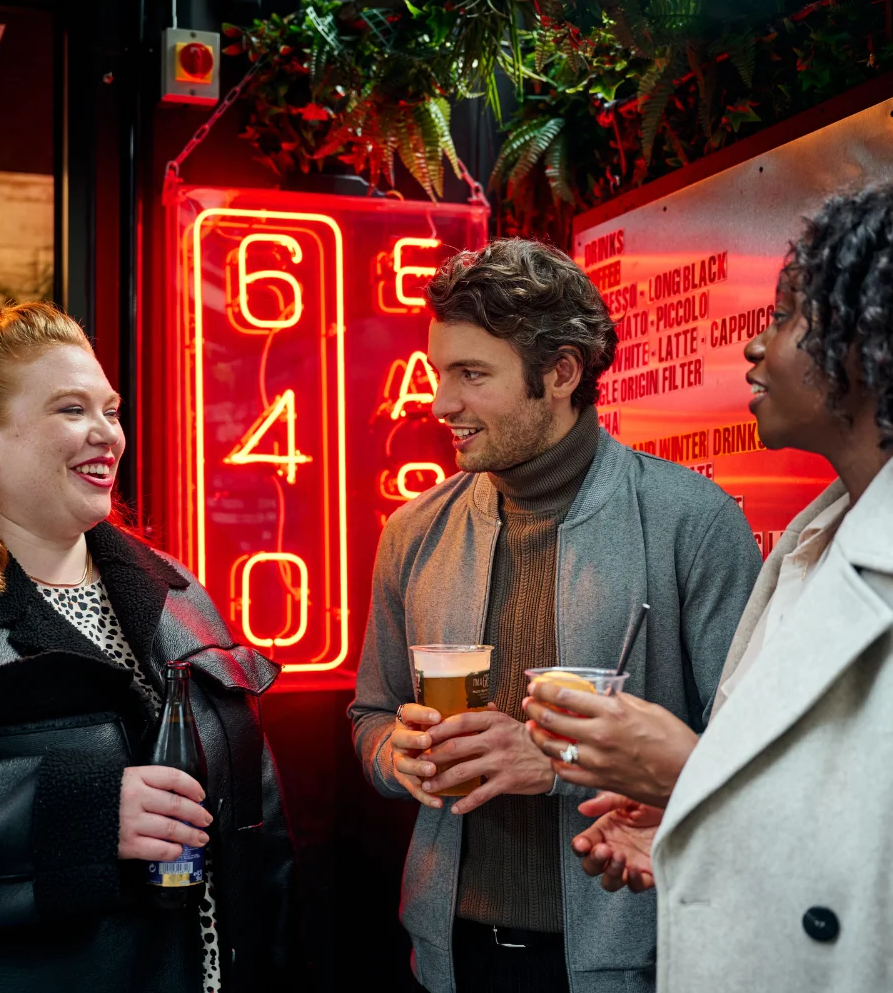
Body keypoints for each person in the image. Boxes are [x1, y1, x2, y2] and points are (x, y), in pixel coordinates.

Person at [348, 238, 762, 993]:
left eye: (472, 374)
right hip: (448, 953)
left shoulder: (691, 522)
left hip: (630, 962)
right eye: (443, 372)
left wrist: (557, 764)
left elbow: (755, 764)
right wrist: (393, 755)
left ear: (562, 372)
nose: (442, 403)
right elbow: (370, 714)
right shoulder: (413, 532)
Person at [525, 183, 893, 991]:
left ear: (869, 343)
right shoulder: (808, 548)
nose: (755, 349)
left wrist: (691, 777)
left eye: (789, 315)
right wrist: (687, 821)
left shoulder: (708, 520)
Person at [0, 303, 292, 993]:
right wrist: (82, 812)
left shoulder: (180, 594)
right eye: (71, 410)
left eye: (111, 410)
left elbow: (261, 836)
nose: (107, 433)